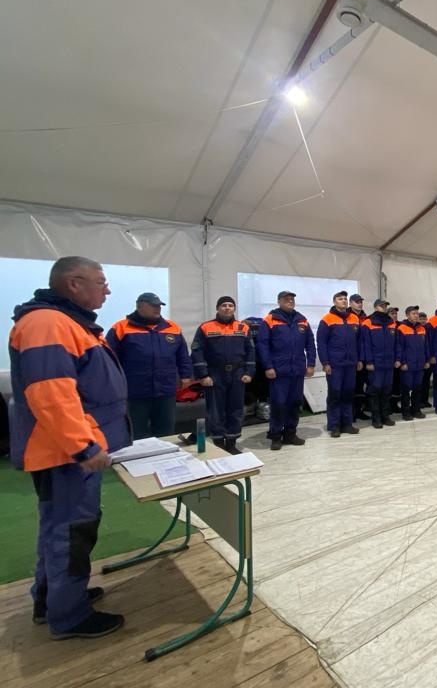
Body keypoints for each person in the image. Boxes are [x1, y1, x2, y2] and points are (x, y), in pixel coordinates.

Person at [9, 256, 128, 639]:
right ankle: (70, 615)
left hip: (65, 450)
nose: (107, 289)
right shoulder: (48, 323)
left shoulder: (65, 322)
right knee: (72, 532)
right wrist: (84, 447)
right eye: (101, 281)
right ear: (74, 284)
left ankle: (52, 599)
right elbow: (51, 394)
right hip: (66, 454)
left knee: (58, 528)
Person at [106, 292, 192, 439]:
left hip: (165, 392)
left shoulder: (172, 328)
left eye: (159, 306)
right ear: (140, 306)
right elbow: (109, 358)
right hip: (135, 392)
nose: (158, 309)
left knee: (166, 434)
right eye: (153, 306)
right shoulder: (121, 328)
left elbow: (182, 355)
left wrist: (186, 376)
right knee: (136, 435)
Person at [190, 296, 255, 453]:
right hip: (214, 374)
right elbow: (197, 351)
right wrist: (203, 375)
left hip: (237, 374)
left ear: (234, 309)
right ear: (218, 308)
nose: (227, 308)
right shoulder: (206, 327)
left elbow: (251, 351)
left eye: (230, 305)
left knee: (236, 409)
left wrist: (249, 372)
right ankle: (218, 443)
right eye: (224, 305)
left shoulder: (243, 328)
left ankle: (231, 442)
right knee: (215, 410)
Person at [257, 291, 316, 450]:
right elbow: (262, 345)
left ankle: (290, 433)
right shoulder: (270, 320)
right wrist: (268, 366)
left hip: (297, 370)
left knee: (295, 403)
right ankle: (276, 435)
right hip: (278, 371)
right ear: (279, 301)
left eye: (292, 299)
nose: (290, 301)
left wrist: (311, 364)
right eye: (286, 299)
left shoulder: (302, 320)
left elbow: (310, 343)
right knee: (278, 403)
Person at [316, 291, 362, 437]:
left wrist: (359, 359)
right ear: (334, 302)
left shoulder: (354, 318)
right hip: (335, 364)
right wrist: (325, 362)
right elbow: (321, 343)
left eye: (345, 299)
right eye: (340, 299)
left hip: (350, 364)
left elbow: (359, 341)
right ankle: (334, 425)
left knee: (348, 393)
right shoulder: (327, 319)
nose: (344, 301)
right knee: (335, 394)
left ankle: (347, 423)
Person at [360, 299, 399, 429]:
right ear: (376, 307)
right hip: (375, 363)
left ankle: (385, 416)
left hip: (389, 363)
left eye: (386, 305)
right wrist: (369, 361)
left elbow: (397, 343)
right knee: (375, 391)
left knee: (387, 390)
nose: (384, 307)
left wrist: (397, 359)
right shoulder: (368, 322)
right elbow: (365, 344)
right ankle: (376, 418)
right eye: (382, 305)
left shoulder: (391, 322)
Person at [397, 306, 429, 421]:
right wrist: (403, 362)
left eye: (417, 313)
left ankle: (416, 410)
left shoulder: (422, 329)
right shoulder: (401, 328)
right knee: (406, 389)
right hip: (408, 365)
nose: (416, 315)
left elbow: (426, 346)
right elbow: (399, 347)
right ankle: (406, 412)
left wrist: (426, 360)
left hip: (419, 364)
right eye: (413, 313)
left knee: (417, 388)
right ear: (407, 315)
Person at [350, 294, 371, 421]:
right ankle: (351, 413)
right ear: (351, 303)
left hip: (364, 357)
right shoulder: (347, 317)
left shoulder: (365, 318)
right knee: (351, 386)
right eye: (357, 302)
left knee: (360, 385)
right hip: (352, 357)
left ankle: (359, 410)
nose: (360, 304)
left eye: (361, 302)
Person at [417, 311, 433, 410]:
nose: (422, 321)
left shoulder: (429, 329)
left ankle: (425, 400)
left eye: (424, 319)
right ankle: (419, 401)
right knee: (420, 381)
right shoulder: (416, 329)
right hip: (419, 359)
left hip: (428, 358)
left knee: (426, 381)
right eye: (420, 319)